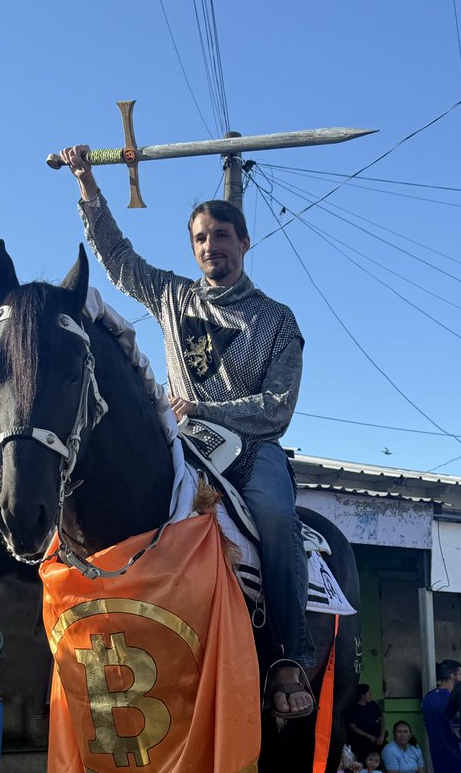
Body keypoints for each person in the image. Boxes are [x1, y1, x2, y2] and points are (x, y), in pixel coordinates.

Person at [60, 145, 315, 716]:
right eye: (201, 238)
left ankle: (289, 656)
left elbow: (277, 408)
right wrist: (88, 186)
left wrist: (201, 408)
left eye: (222, 236)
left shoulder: (278, 320)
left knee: (275, 518)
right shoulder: (173, 296)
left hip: (252, 452)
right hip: (182, 446)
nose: (211, 246)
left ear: (244, 243)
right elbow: (119, 259)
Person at [346, 684, 385, 759]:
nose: (371, 695)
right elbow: (353, 727)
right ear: (362, 695)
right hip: (361, 739)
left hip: (376, 735)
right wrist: (370, 737)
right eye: (369, 693)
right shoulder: (354, 708)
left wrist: (381, 736)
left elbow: (382, 719)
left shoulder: (373, 705)